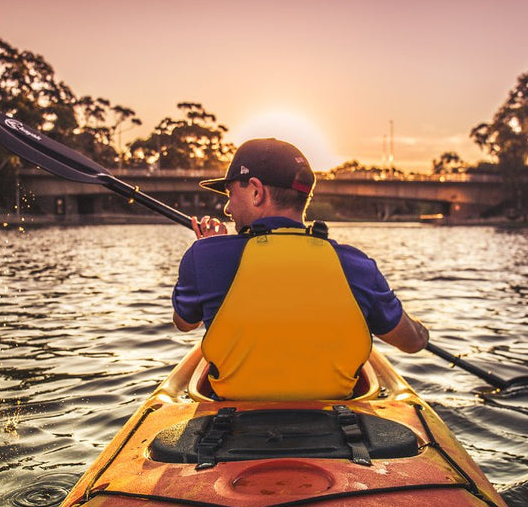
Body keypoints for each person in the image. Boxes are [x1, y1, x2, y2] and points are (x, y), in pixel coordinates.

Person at [172, 138, 429, 401]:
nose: (228, 208)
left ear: (256, 191)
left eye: (230, 195)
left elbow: (184, 322)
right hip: (338, 430)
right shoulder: (357, 265)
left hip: (231, 426)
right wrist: (421, 330)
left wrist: (207, 250)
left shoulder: (204, 257)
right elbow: (414, 342)